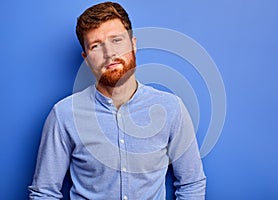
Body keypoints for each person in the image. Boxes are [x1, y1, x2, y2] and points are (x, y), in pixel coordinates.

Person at [29, 2, 206, 199]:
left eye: (116, 40)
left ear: (133, 44)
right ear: (86, 58)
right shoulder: (63, 115)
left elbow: (192, 183)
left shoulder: (171, 108)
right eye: (96, 46)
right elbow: (43, 192)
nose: (109, 53)